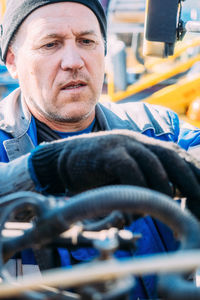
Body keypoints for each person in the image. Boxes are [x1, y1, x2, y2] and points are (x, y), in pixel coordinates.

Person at [0, 0, 200, 298]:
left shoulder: (157, 128)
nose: (74, 61)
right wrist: (47, 166)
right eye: (51, 44)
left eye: (87, 41)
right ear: (13, 61)